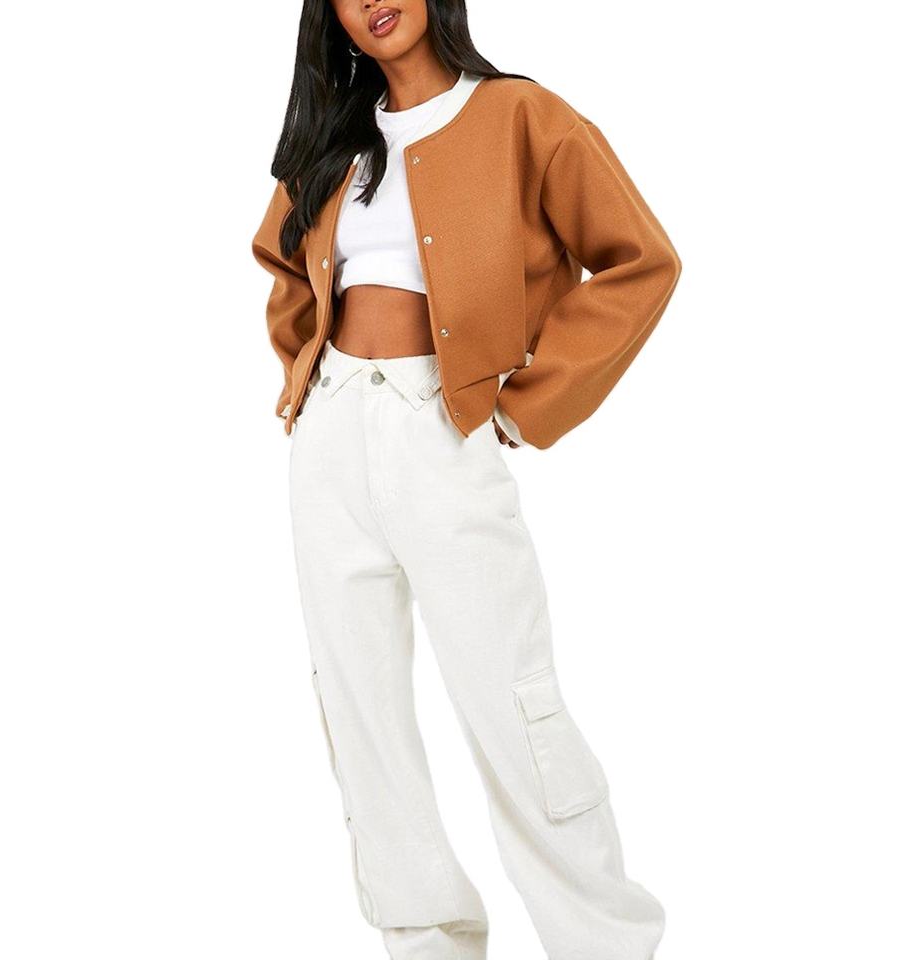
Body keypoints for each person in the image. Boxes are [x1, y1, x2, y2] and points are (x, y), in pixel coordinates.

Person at [251, 2, 681, 957]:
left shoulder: (523, 116)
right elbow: (283, 262)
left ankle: (605, 939)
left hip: (443, 432)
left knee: (510, 699)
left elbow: (641, 262)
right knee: (359, 709)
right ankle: (427, 940)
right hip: (330, 439)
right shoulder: (336, 140)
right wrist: (303, 379)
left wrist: (526, 405)